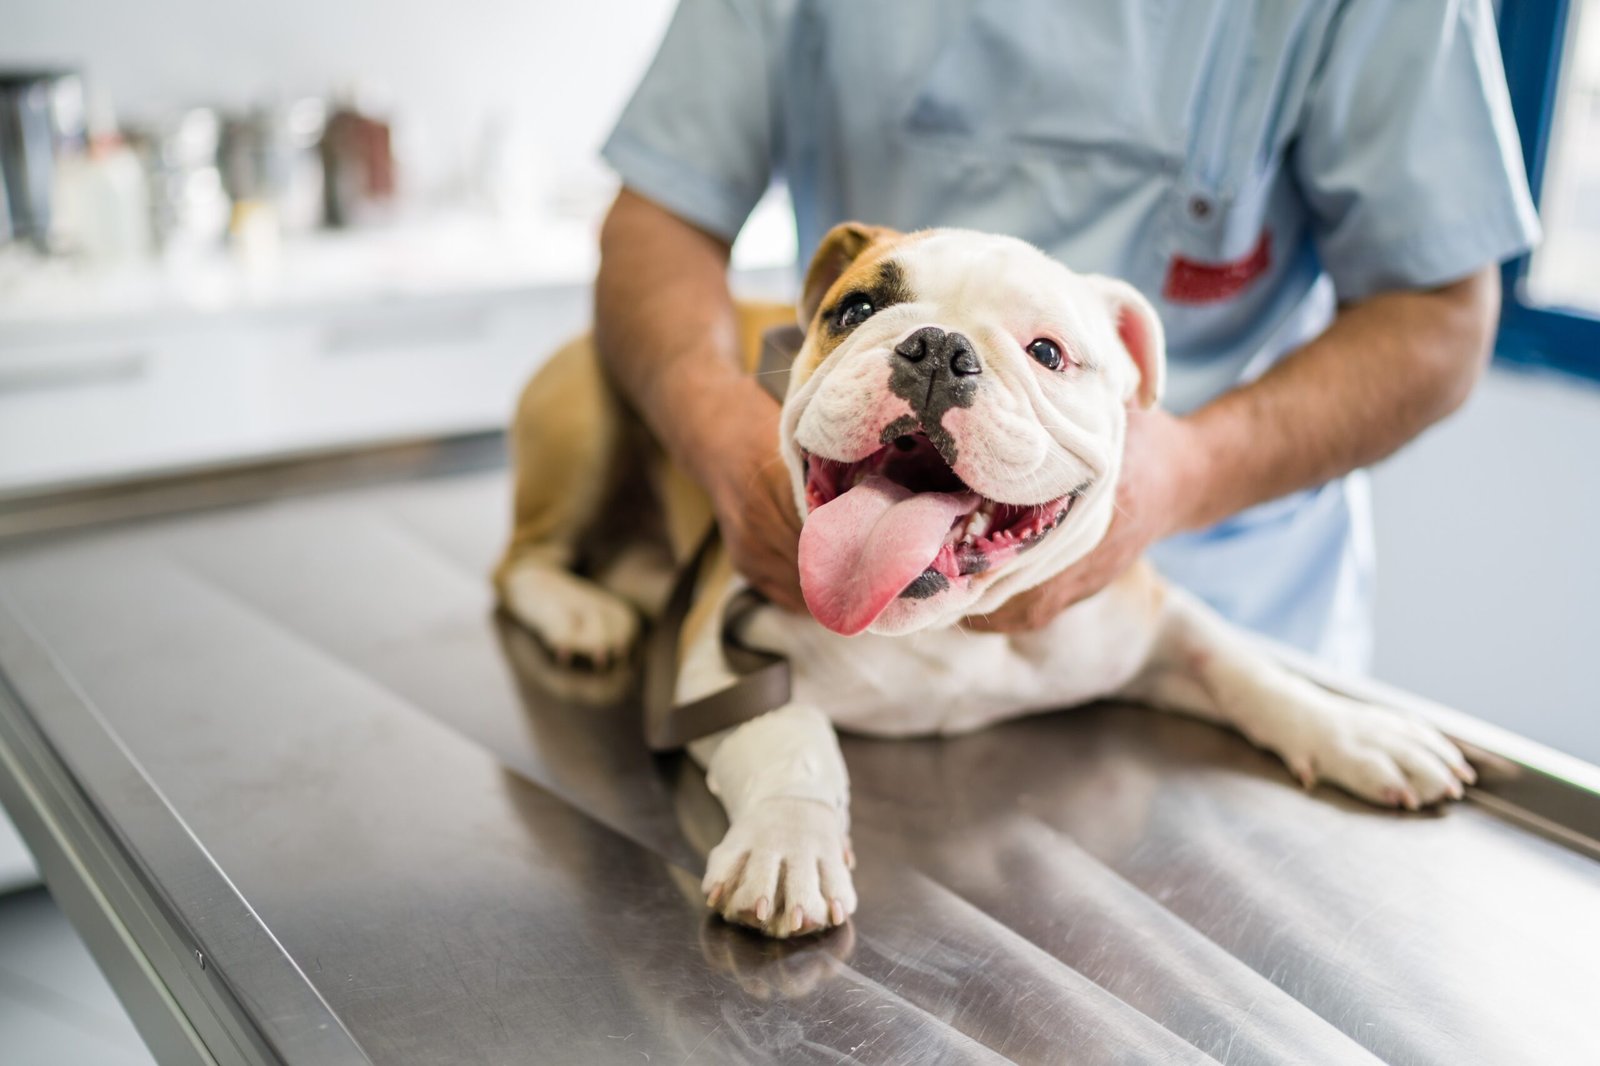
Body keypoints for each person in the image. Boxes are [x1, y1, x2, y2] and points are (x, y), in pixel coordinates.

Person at [591, 0, 1538, 671]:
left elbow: (1442, 312)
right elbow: (662, 213)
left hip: (1220, 610)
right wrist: (718, 431)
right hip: (846, 581)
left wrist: (1184, 474)